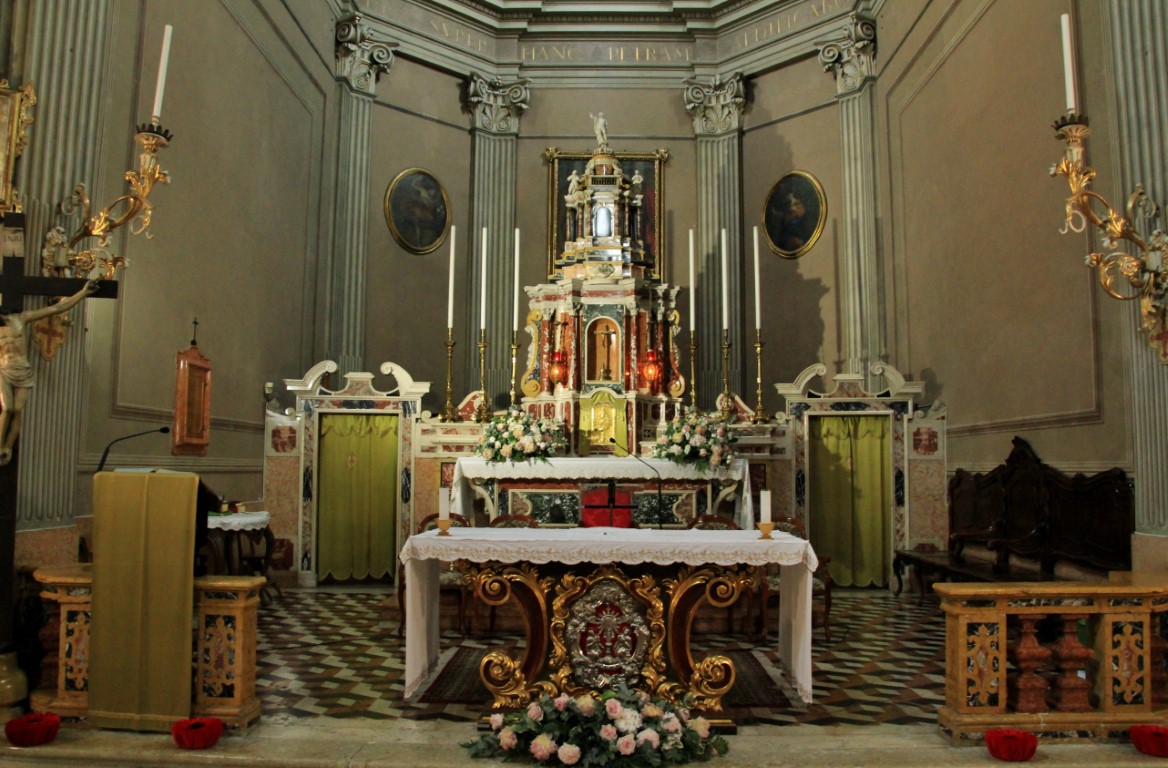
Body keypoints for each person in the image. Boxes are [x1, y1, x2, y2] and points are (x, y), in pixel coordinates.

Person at [0, 278, 99, 465]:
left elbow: (56, 309)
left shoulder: (21, 318)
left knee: (18, 410)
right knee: (7, 408)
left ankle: (8, 447)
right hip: (3, 369)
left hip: (23, 370)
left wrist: (83, 293)